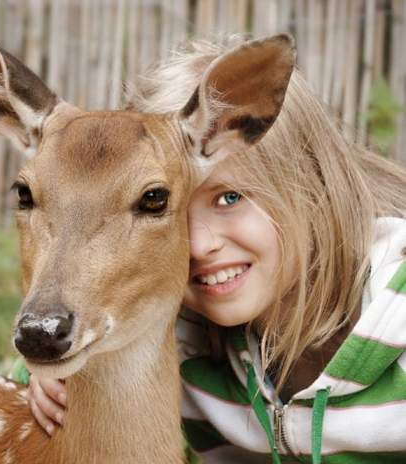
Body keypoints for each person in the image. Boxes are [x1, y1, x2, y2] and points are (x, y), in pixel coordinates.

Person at [24, 37, 406, 463]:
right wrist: (52, 376)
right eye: (166, 210)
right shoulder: (182, 345)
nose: (200, 244)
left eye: (230, 199)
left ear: (310, 186)